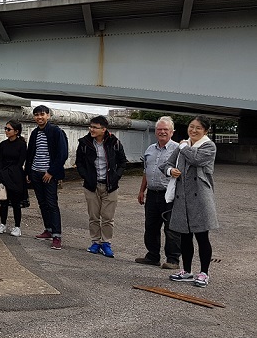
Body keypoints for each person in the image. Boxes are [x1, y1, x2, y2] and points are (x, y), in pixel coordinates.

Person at [162, 116, 218, 288]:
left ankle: (204, 273)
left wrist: (184, 146)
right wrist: (171, 170)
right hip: (182, 197)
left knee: (202, 237)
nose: (193, 130)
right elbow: (165, 164)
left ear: (206, 131)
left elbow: (196, 159)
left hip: (200, 198)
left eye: (198, 128)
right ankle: (186, 270)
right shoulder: (183, 146)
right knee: (184, 237)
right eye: (191, 126)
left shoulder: (208, 146)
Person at [76, 115, 128, 258]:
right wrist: (85, 176)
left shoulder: (114, 142)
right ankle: (95, 242)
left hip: (110, 185)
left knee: (107, 217)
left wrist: (116, 176)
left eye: (95, 127)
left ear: (103, 129)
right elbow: (79, 162)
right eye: (90, 126)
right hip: (91, 185)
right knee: (93, 216)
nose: (91, 129)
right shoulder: (85, 143)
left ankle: (106, 243)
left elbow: (123, 162)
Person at [135, 116, 181, 269]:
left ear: (172, 132)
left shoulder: (178, 150)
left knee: (171, 228)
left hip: (169, 195)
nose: (162, 132)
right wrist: (142, 190)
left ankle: (173, 260)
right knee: (151, 226)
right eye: (159, 129)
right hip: (152, 194)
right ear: (155, 132)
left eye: (165, 129)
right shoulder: (150, 149)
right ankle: (152, 256)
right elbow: (146, 172)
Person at [26, 105, 68, 250]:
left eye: (42, 114)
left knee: (52, 204)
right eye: (36, 115)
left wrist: (51, 172)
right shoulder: (35, 133)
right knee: (42, 203)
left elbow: (62, 154)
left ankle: (57, 236)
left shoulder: (56, 132)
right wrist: (28, 172)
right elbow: (30, 153)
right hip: (36, 172)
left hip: (49, 174)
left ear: (48, 116)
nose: (39, 117)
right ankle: (48, 229)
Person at [0, 119, 27, 237]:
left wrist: (11, 172)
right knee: (3, 201)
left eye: (9, 129)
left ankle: (17, 226)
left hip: (16, 175)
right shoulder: (3, 144)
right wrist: (1, 174)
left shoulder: (22, 144)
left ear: (16, 131)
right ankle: (2, 223)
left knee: (16, 202)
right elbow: (0, 160)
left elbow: (20, 162)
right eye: (5, 129)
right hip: (3, 174)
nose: (6, 131)